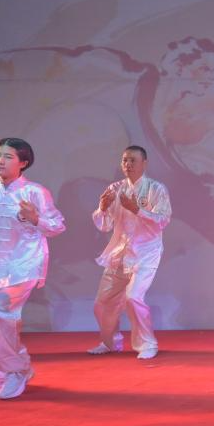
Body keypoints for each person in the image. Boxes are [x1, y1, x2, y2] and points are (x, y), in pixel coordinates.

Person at [0, 138, 65, 399]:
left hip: (21, 264)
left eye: (8, 156)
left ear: (23, 163)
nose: (0, 161)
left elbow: (57, 226)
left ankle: (16, 371)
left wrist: (35, 218)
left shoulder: (35, 192)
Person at [87, 145, 172, 359]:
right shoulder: (115, 188)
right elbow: (104, 226)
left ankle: (147, 344)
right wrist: (102, 208)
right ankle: (110, 342)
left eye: (133, 160)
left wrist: (137, 209)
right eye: (125, 160)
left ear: (145, 163)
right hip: (119, 252)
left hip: (146, 252)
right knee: (102, 302)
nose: (128, 164)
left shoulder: (156, 189)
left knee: (133, 297)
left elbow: (163, 220)